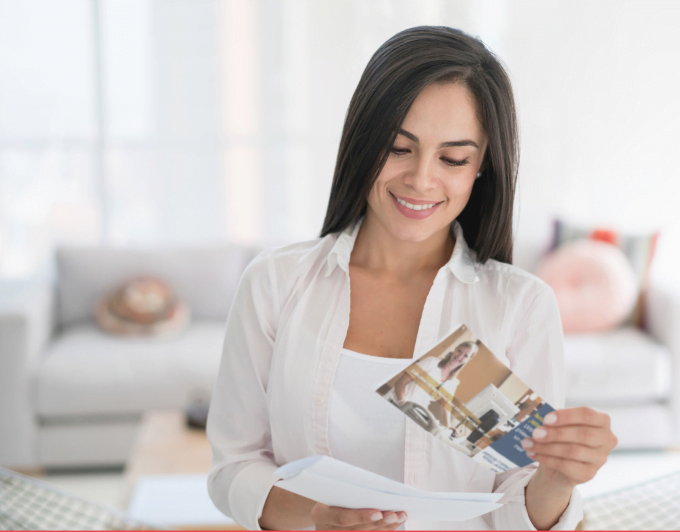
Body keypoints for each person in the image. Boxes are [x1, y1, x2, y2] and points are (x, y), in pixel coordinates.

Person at [207, 26, 617, 531]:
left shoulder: (519, 306)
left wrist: (557, 477)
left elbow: (513, 507)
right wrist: (316, 519)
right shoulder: (276, 284)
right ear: (364, 142)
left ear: (482, 165)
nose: (421, 179)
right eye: (399, 148)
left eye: (453, 158)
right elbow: (234, 469)